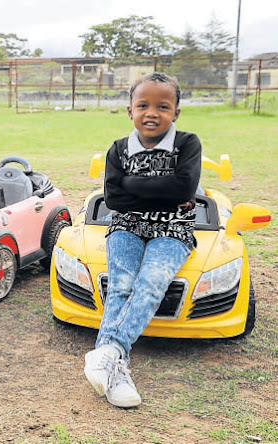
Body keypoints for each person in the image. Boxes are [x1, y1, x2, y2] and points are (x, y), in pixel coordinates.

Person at [84, 72, 201, 408]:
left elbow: (183, 188)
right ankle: (116, 370)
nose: (152, 112)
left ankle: (109, 352)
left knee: (150, 284)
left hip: (173, 230)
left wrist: (133, 184)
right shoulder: (118, 149)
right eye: (143, 105)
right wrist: (164, 193)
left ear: (176, 112)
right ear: (129, 110)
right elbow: (114, 199)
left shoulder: (187, 143)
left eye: (163, 106)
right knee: (121, 285)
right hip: (125, 225)